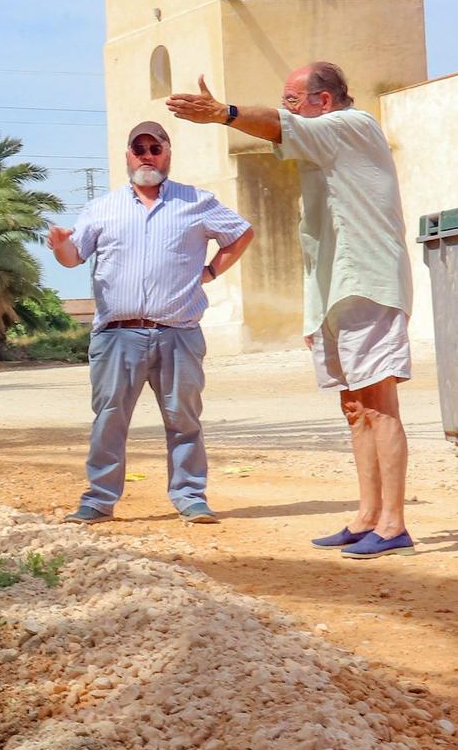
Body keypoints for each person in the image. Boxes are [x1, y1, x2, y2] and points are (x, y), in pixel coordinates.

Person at [167, 63, 414, 557]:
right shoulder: (323, 145)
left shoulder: (352, 125)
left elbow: (276, 126)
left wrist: (224, 113)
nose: (286, 109)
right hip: (337, 289)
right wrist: (314, 310)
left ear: (324, 101)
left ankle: (393, 525)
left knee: (378, 402)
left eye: (293, 99)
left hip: (367, 283)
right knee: (354, 407)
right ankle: (367, 517)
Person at [46, 121, 253, 525]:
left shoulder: (197, 202)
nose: (146, 155)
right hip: (117, 336)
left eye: (154, 147)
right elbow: (74, 258)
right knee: (109, 418)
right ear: (127, 155)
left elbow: (241, 234)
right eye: (138, 148)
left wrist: (209, 272)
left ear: (167, 154)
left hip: (178, 333)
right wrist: (59, 247)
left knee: (183, 419)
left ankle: (190, 496)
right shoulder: (101, 208)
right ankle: (99, 500)